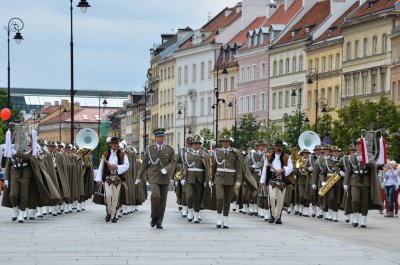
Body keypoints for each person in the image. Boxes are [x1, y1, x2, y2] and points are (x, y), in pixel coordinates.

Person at [137, 128, 175, 229]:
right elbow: (144, 163)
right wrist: (139, 177)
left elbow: (172, 162)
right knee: (156, 195)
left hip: (165, 177)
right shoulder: (150, 149)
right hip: (153, 176)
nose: (160, 138)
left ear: (164, 137)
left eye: (162, 136)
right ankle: (154, 216)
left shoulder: (169, 149)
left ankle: (159, 221)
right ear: (155, 138)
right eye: (158, 137)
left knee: (162, 201)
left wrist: (166, 169)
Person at [342, 139, 381, 228]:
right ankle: (355, 217)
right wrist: (345, 182)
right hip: (354, 180)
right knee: (355, 200)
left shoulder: (369, 155)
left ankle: (363, 220)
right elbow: (348, 170)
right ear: (356, 146)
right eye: (358, 144)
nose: (360, 146)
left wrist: (365, 160)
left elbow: (374, 166)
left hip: (365, 181)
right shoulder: (351, 157)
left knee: (364, 202)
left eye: (361, 144)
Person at [210, 135, 242, 229]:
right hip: (219, 178)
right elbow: (213, 167)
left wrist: (238, 180)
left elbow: (238, 168)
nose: (225, 143)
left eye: (227, 141)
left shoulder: (235, 152)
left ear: (230, 142)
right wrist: (211, 179)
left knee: (227, 200)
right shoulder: (217, 152)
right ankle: (219, 217)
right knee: (220, 198)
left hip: (230, 178)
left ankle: (225, 219)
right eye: (223, 141)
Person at [95, 137, 129, 223]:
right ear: (110, 144)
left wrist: (117, 167)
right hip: (108, 178)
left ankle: (113, 215)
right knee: (108, 196)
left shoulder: (123, 154)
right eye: (113, 143)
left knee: (115, 198)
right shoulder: (105, 154)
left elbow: (127, 165)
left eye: (116, 143)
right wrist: (98, 179)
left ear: (118, 144)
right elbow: (101, 167)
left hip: (117, 179)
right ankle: (109, 212)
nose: (114, 145)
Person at [260, 140, 293, 225]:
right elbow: (264, 169)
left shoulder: (287, 157)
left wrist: (283, 170)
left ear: (282, 147)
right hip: (272, 181)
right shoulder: (269, 156)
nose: (279, 148)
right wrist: (262, 181)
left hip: (282, 181)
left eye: (280, 146)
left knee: (280, 200)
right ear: (274, 147)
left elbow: (290, 168)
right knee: (271, 197)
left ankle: (278, 217)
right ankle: (272, 216)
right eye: (277, 146)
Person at [182, 135, 210, 223]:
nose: (196, 145)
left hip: (200, 178)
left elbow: (207, 168)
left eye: (198, 144)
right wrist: (182, 177)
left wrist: (207, 180)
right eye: (194, 144)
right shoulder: (187, 154)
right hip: (189, 178)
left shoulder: (205, 155)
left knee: (198, 197)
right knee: (189, 196)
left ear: (200, 145)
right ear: (192, 145)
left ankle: (196, 215)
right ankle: (190, 211)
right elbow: (184, 167)